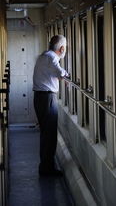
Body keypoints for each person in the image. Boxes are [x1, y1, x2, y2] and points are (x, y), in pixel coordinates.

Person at [33, 35, 68, 176]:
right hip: (47, 98)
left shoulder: (43, 56)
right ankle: (47, 169)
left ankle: (46, 166)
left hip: (39, 97)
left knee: (45, 133)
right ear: (62, 48)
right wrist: (65, 74)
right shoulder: (52, 57)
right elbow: (60, 72)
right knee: (50, 134)